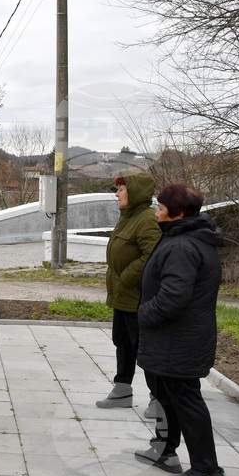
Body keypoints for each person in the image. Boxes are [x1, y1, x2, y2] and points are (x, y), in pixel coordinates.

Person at [133, 183, 225, 476]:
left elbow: (174, 297)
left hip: (178, 340)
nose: (157, 214)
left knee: (186, 401)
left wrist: (143, 313)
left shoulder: (183, 245)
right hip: (176, 338)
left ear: (178, 213)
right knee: (166, 397)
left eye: (160, 209)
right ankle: (165, 450)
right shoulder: (185, 237)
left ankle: (205, 469)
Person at [97, 172, 160, 413]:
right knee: (123, 343)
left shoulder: (146, 219)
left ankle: (158, 398)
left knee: (143, 347)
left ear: (133, 193)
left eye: (121, 190)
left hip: (138, 297)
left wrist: (126, 277)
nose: (117, 194)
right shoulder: (128, 216)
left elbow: (151, 256)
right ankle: (122, 389)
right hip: (123, 296)